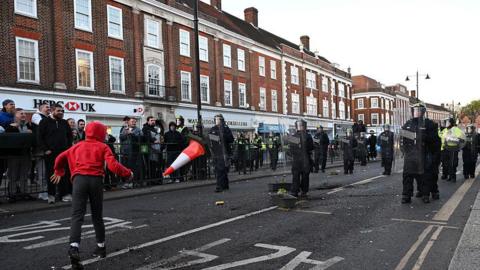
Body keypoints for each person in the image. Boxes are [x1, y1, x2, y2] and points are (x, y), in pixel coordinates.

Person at [50, 121, 133, 268]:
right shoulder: (103, 146)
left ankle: (74, 247)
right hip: (95, 181)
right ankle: (101, 247)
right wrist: (128, 174)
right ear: (100, 133)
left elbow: (59, 158)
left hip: (78, 181)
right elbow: (113, 166)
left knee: (77, 216)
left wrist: (58, 171)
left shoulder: (76, 146)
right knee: (97, 216)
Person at [400, 102, 436, 204]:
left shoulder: (428, 124)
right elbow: (402, 138)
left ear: (423, 112)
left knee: (423, 176)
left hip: (423, 154)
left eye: (418, 110)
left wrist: (432, 153)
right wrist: (403, 148)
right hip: (410, 155)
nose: (416, 112)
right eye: (414, 110)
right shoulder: (408, 123)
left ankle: (425, 194)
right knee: (407, 175)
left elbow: (434, 140)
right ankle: (406, 195)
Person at [38, 104, 73, 204]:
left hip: (63, 153)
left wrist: (68, 148)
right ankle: (51, 195)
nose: (61, 113)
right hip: (50, 153)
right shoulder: (44, 122)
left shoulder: (64, 123)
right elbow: (40, 137)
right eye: (58, 111)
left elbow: (69, 136)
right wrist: (45, 149)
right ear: (52, 111)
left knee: (64, 174)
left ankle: (64, 194)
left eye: (62, 111)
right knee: (51, 174)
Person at [5, 108, 34, 202]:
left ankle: (24, 193)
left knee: (24, 176)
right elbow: (7, 140)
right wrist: (12, 128)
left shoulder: (29, 125)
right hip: (14, 155)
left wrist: (31, 133)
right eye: (21, 113)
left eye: (24, 113)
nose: (23, 115)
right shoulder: (9, 126)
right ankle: (12, 194)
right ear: (15, 116)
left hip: (26, 154)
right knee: (13, 176)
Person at [287, 119, 314, 198]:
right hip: (305, 159)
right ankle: (304, 191)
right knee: (305, 176)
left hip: (296, 160)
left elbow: (291, 149)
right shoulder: (308, 136)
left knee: (296, 176)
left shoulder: (293, 136)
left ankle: (294, 191)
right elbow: (311, 147)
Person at [209, 114, 234, 192]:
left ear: (221, 120)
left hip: (224, 151)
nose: (217, 121)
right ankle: (225, 185)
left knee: (221, 169)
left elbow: (231, 139)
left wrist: (224, 136)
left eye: (218, 119)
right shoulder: (213, 129)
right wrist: (217, 139)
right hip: (216, 152)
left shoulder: (226, 128)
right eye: (216, 119)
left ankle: (219, 186)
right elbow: (210, 138)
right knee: (220, 169)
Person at [31, 103, 51, 201]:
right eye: (47, 107)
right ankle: (42, 193)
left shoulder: (48, 117)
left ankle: (47, 191)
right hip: (41, 150)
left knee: (48, 173)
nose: (49, 109)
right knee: (42, 173)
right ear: (41, 108)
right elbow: (43, 125)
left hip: (49, 149)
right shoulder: (36, 116)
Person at [441, 118, 466, 182]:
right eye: (446, 122)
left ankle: (453, 177)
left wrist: (453, 139)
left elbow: (462, 139)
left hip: (453, 148)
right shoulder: (445, 130)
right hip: (445, 148)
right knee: (446, 163)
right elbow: (441, 136)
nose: (446, 124)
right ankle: (449, 175)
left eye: (447, 122)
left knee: (452, 163)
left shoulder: (455, 129)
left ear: (451, 123)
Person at [119, 118, 142, 188]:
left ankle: (133, 182)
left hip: (134, 152)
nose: (134, 123)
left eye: (135, 122)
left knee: (134, 168)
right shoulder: (124, 129)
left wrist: (132, 134)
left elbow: (141, 138)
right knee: (126, 167)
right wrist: (126, 133)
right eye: (132, 121)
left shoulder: (138, 130)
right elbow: (121, 137)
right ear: (128, 122)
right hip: (125, 151)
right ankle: (127, 182)